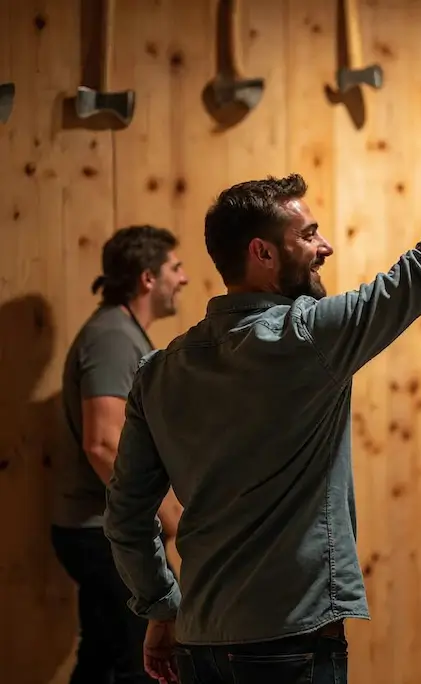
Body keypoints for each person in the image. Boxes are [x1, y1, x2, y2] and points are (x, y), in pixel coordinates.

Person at [101, 41, 421, 684]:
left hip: (199, 644)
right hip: (292, 647)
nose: (325, 246)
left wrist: (161, 608)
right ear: (263, 254)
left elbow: (126, 517)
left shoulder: (158, 371)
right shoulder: (309, 340)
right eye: (308, 235)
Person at [50, 224, 188, 684]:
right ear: (148, 278)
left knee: (105, 657)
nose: (183, 278)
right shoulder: (112, 337)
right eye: (175, 267)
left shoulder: (121, 332)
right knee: (143, 665)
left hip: (95, 530)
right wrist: (167, 516)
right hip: (102, 533)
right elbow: (103, 443)